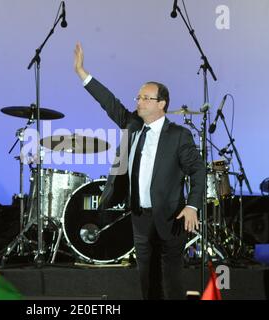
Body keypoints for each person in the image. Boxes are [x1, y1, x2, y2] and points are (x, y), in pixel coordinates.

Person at [74, 43, 205, 299]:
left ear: (162, 104)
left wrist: (192, 206)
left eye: (146, 98)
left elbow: (198, 171)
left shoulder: (179, 136)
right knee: (147, 278)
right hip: (140, 215)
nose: (140, 102)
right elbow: (109, 103)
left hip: (171, 216)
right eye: (138, 97)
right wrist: (82, 72)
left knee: (171, 279)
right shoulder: (133, 125)